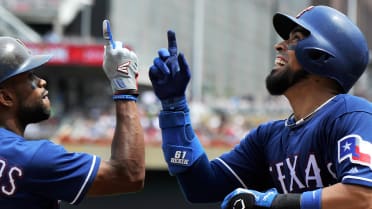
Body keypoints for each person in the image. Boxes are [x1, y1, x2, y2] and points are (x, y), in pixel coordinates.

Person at [148, 5, 372, 209]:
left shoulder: (353, 115)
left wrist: (273, 202)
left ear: (321, 56)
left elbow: (363, 196)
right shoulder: (268, 136)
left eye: (295, 39)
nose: (279, 45)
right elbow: (200, 186)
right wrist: (174, 108)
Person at [0, 19, 145, 209]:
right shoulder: (33, 157)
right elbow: (128, 174)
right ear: (5, 97)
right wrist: (123, 84)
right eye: (29, 77)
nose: (41, 81)